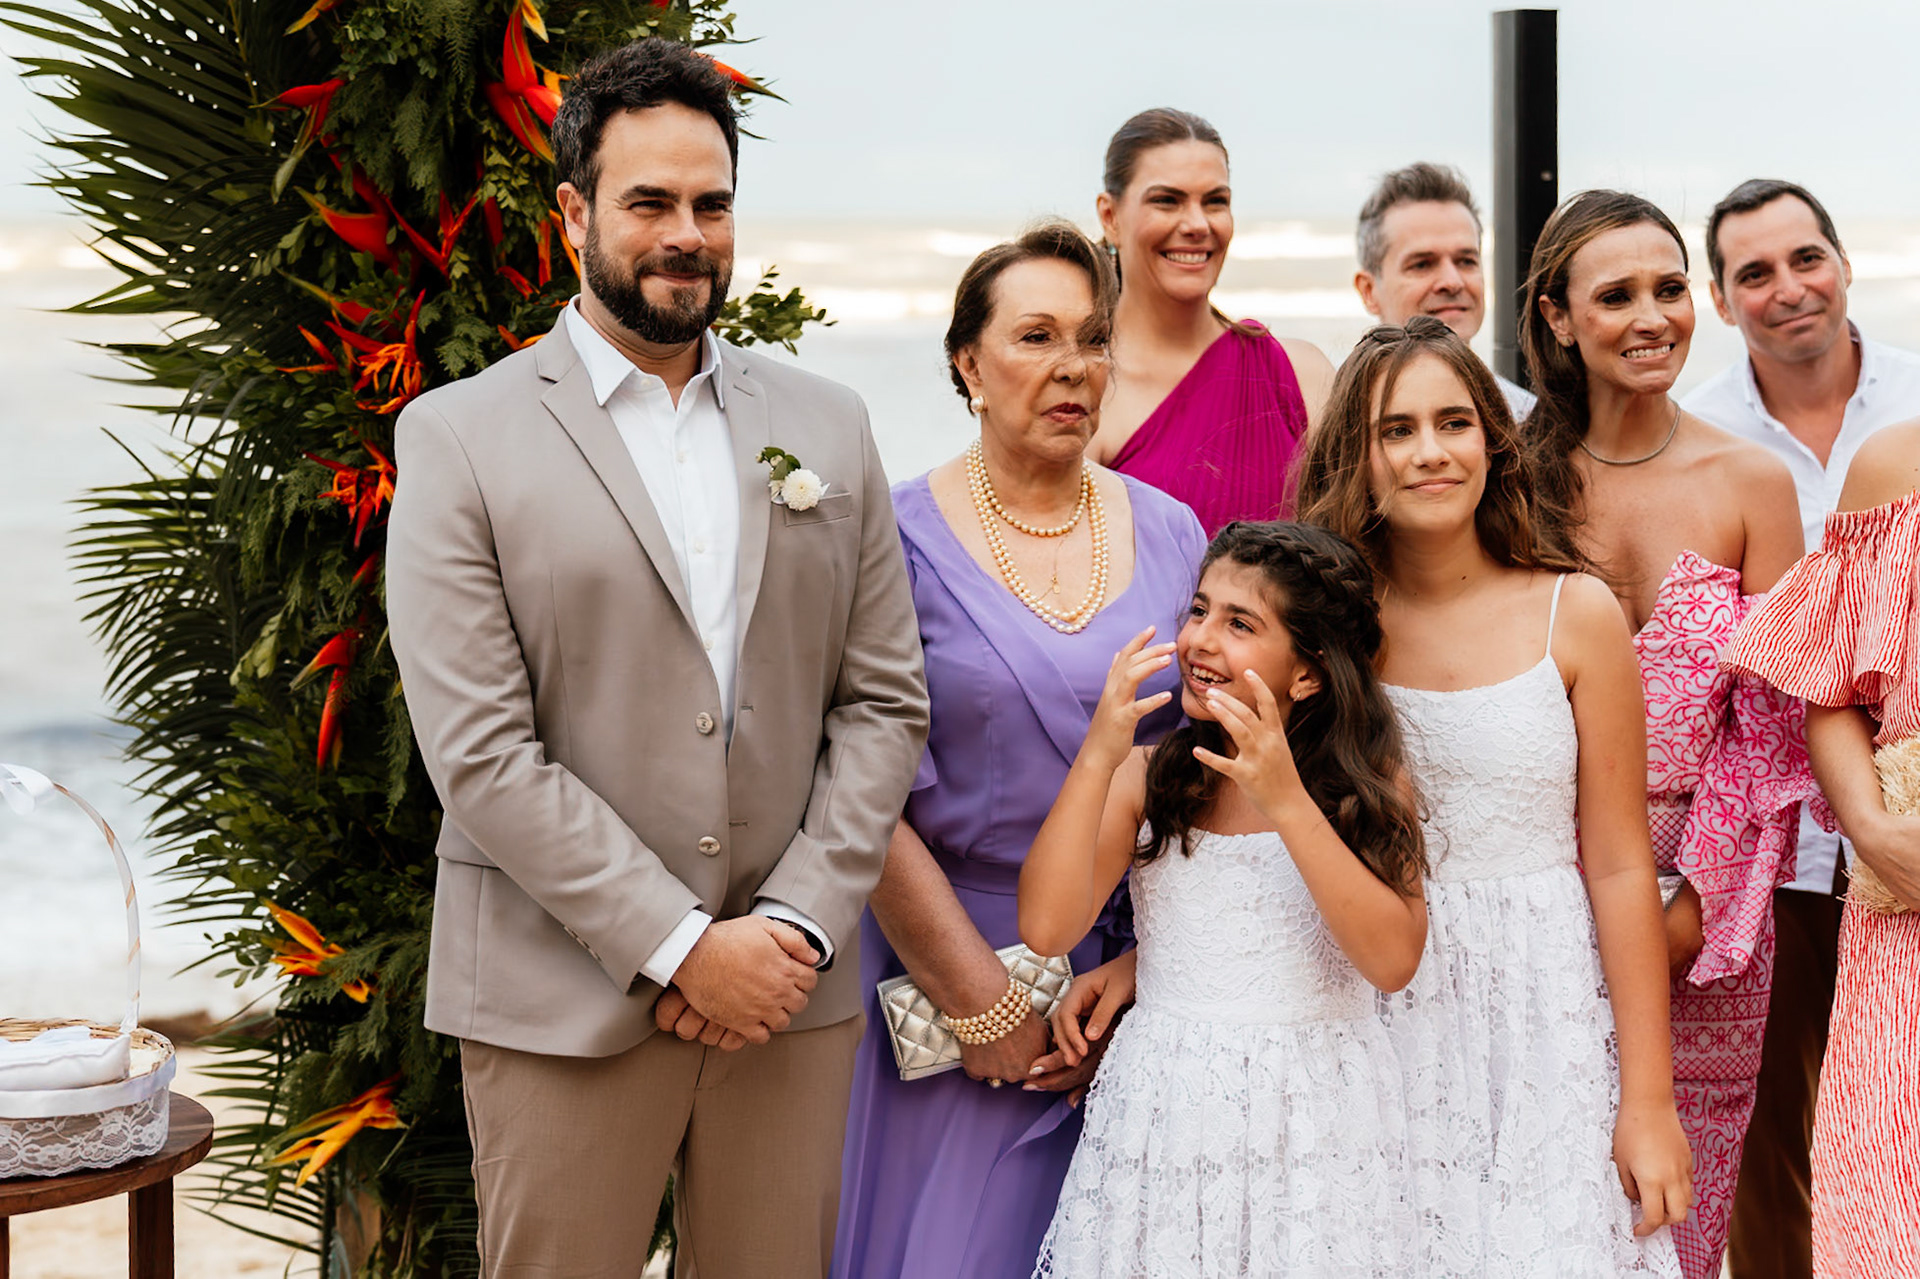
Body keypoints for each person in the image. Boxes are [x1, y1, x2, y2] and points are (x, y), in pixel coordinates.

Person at [384, 40, 928, 1277]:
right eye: (650, 203)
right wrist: (683, 946)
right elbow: (481, 753)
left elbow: (885, 704)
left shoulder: (829, 424)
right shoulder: (459, 438)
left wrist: (792, 927)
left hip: (787, 1002)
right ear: (575, 212)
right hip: (558, 1001)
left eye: (712, 204)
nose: (687, 235)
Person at [831, 222, 1207, 1279]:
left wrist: (1143, 970)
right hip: (944, 969)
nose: (1072, 367)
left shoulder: (1175, 532)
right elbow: (856, 789)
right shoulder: (889, 537)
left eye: (1092, 338)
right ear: (968, 364)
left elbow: (1209, 777)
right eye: (1036, 337)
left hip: (1133, 990)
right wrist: (979, 1001)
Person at [1296, 316, 1691, 1274]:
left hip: (1545, 1013)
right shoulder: (1324, 633)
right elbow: (1261, 828)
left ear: (1493, 439)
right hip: (1366, 1007)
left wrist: (1648, 1098)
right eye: (1396, 430)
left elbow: (1620, 865)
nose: (1430, 451)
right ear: (1356, 457)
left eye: (1454, 422)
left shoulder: (1575, 611)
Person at [1520, 190, 1810, 1279]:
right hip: (1539, 900)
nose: (1653, 317)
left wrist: (1695, 910)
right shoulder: (1510, 483)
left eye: (1671, 288)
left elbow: (1772, 732)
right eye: (1616, 295)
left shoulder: (1752, 482)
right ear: (1557, 318)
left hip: (1713, 922)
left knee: (1675, 1224)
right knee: (1536, 1206)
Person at [1019, 520, 1428, 1275]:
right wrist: (1099, 756)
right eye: (1200, 610)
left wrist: (1286, 801)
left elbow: (1393, 960)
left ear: (1307, 675)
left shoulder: (1362, 787)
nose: (1200, 639)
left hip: (1312, 1120)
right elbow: (1047, 926)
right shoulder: (1150, 776)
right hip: (1166, 1111)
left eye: (1241, 624)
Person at [1680, 177, 1920, 1279]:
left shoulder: (1908, 402)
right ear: (1723, 299)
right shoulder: (1706, 437)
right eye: (1755, 272)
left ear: (1844, 262)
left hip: (1875, 838)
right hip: (1787, 850)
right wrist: (1868, 823)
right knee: (1784, 1148)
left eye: (1806, 258)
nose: (1788, 288)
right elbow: (1819, 676)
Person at [1723, 421, 1920, 1277]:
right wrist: (1871, 830)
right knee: (1891, 1216)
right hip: (1906, 909)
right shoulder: (1895, 465)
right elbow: (1831, 691)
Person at [1087, 107, 1335, 533]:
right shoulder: (1085, 390)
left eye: (1215, 201)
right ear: (1110, 217)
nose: (1198, 224)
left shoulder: (1303, 375)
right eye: (1167, 201)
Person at [1353, 160, 1538, 419]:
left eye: (1466, 261)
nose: (1452, 282)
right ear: (1369, 290)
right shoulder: (1333, 419)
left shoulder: (1529, 420)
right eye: (1422, 264)